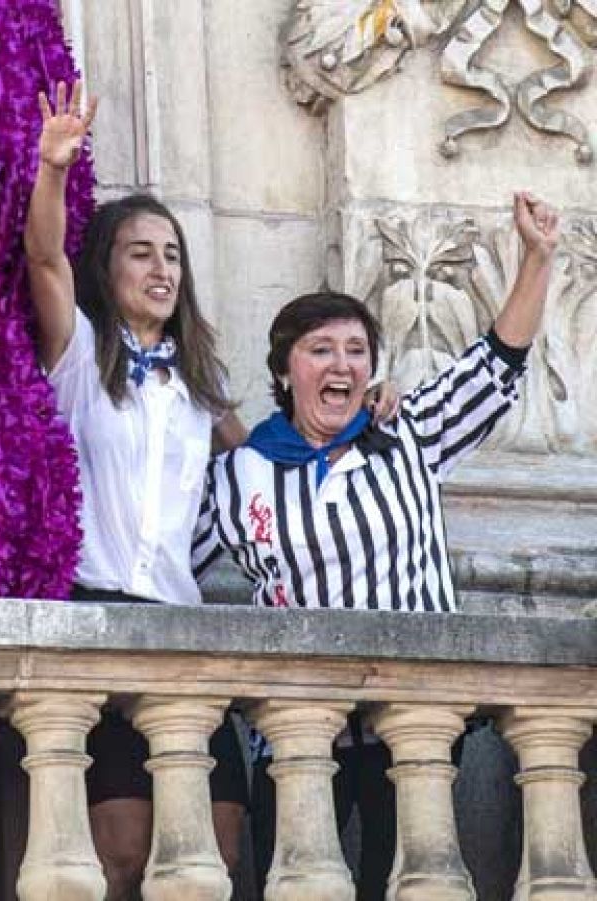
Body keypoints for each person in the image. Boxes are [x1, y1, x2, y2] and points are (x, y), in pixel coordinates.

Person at [195, 192, 559, 899]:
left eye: (357, 351)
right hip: (296, 733)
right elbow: (162, 563)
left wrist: (537, 259)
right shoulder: (238, 475)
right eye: (321, 349)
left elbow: (498, 363)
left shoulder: (410, 434)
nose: (342, 364)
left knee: (409, 885)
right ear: (284, 370)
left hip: (414, 724)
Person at [25, 79, 249, 898]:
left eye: (173, 254)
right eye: (140, 252)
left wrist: (368, 410)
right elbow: (43, 258)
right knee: (118, 857)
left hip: (184, 622)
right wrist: (54, 168)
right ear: (108, 266)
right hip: (97, 614)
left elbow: (274, 468)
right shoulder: (83, 358)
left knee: (216, 854)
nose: (161, 269)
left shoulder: (202, 383)